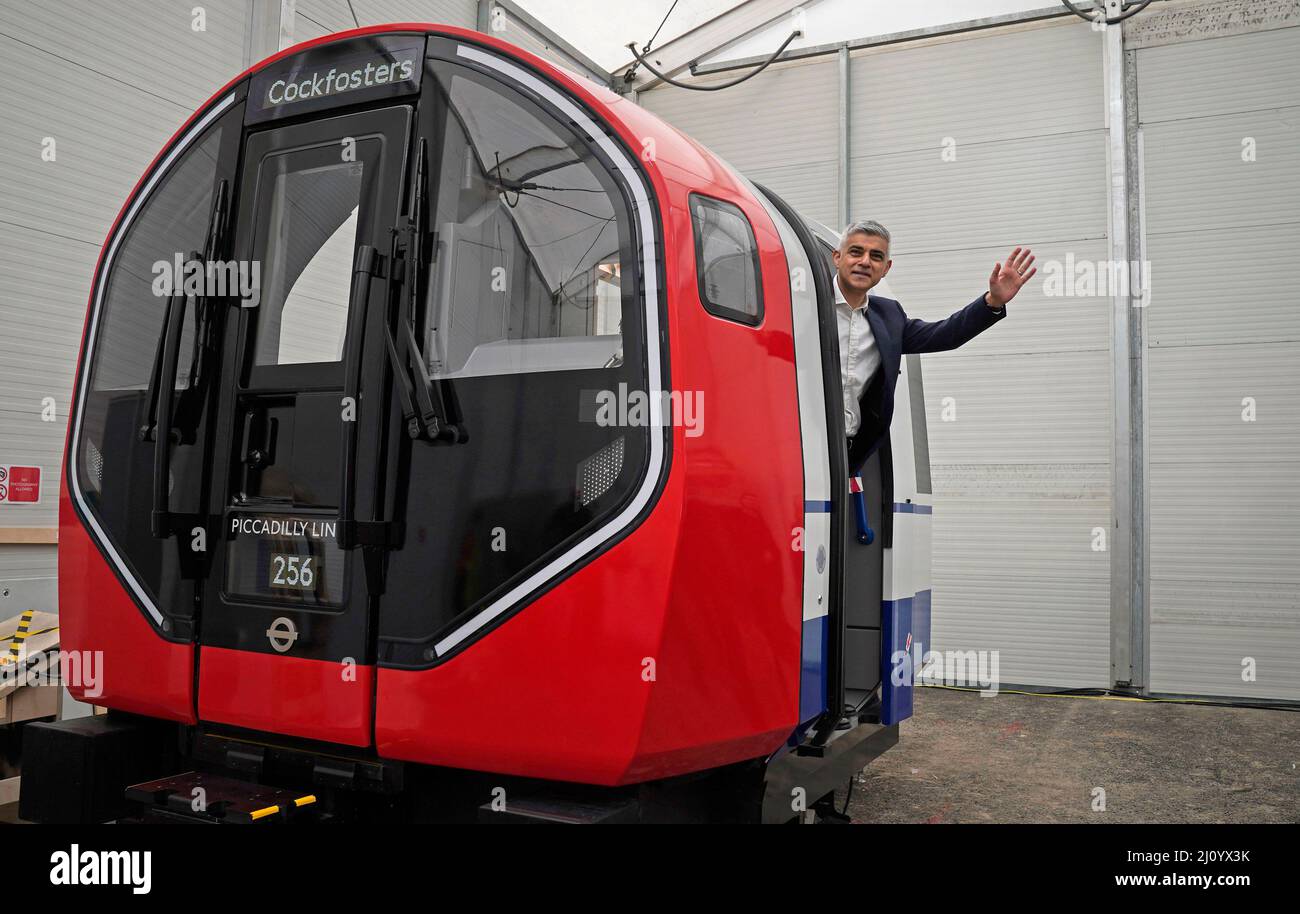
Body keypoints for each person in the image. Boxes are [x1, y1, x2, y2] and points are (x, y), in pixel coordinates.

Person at [832, 220, 1035, 474]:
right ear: (837, 258)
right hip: (797, 447)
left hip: (846, 456)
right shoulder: (804, 305)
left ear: (886, 268)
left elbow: (944, 334)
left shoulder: (889, 316)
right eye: (855, 252)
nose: (865, 261)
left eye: (876, 256)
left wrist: (992, 301)